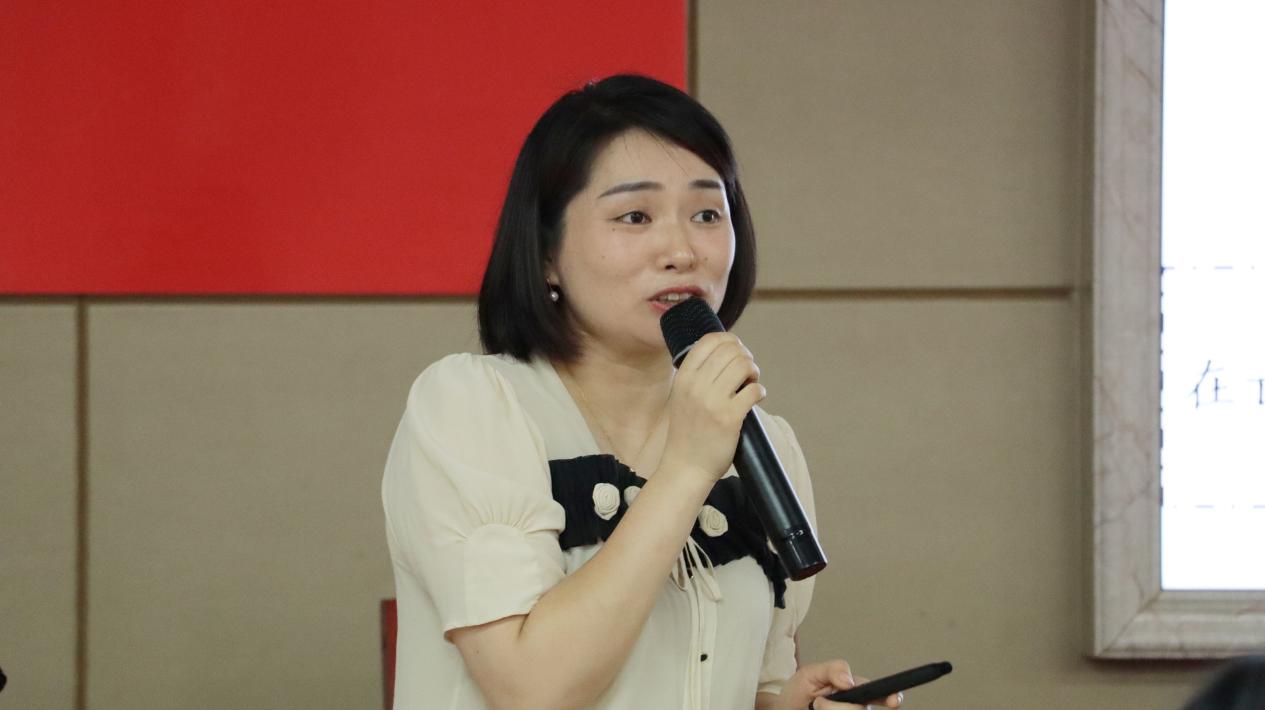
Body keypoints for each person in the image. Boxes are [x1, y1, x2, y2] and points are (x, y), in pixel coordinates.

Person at [381, 74, 900, 710]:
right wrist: (687, 467)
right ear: (546, 253)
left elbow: (738, 686)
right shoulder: (473, 407)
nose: (682, 250)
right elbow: (531, 688)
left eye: (707, 214)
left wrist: (790, 706)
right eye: (635, 216)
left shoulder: (767, 445)